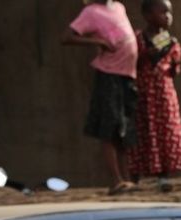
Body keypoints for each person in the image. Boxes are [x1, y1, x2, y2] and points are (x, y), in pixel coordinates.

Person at [63, 0, 139, 195]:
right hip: (108, 75)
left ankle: (127, 179)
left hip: (126, 76)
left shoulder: (119, 7)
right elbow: (67, 37)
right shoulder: (91, 12)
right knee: (109, 128)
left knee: (124, 129)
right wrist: (98, 41)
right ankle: (116, 180)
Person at [130, 0, 181, 191]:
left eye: (169, 12)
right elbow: (131, 61)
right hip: (143, 94)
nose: (167, 16)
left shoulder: (172, 42)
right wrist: (147, 55)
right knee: (141, 131)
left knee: (166, 133)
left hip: (164, 95)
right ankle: (134, 176)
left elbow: (174, 69)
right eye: (162, 12)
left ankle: (164, 176)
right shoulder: (137, 38)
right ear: (147, 15)